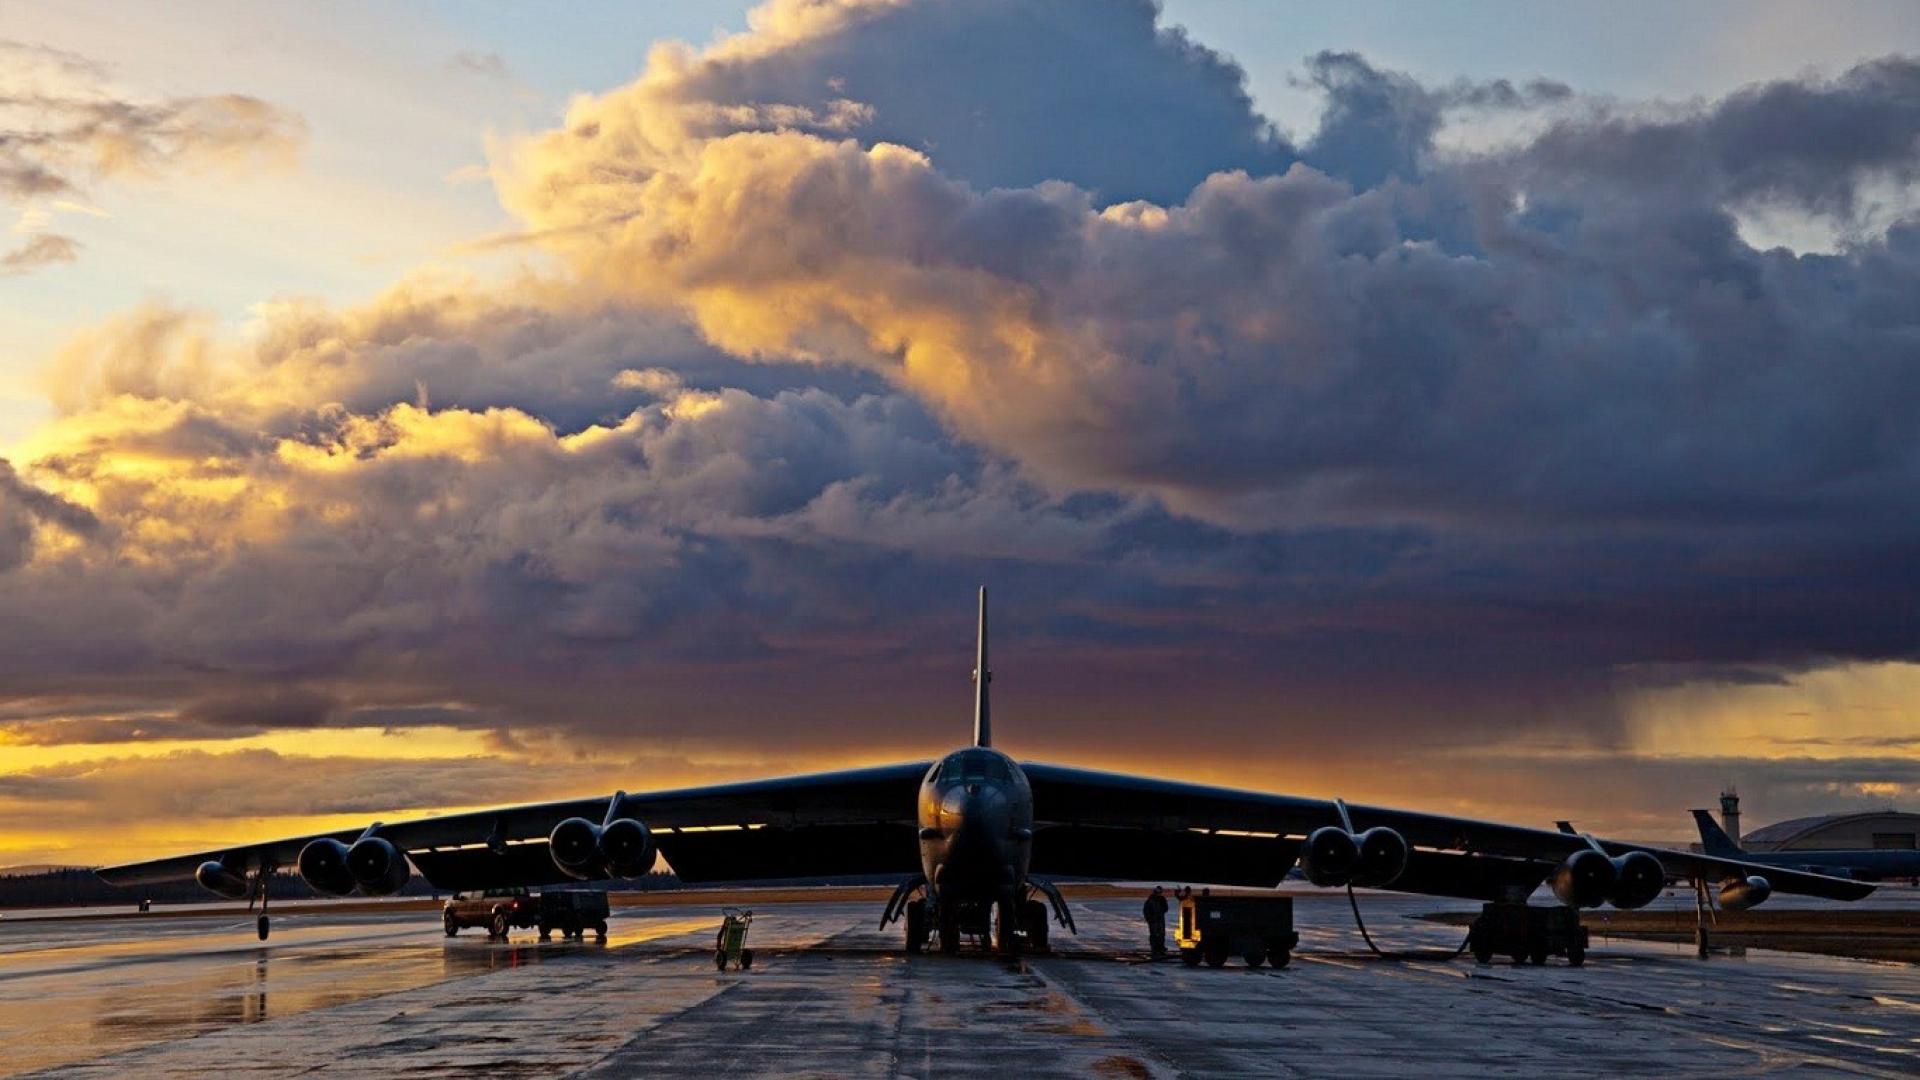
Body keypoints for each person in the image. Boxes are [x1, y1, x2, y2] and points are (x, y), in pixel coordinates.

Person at [1143, 885, 1169, 956]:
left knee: (1161, 934)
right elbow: (1146, 911)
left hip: (1160, 920)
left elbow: (1166, 908)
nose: (1159, 893)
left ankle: (1160, 948)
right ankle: (1154, 949)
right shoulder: (1150, 900)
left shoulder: (1162, 899)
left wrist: (1161, 911)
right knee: (1154, 935)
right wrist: (1149, 919)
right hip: (1153, 921)